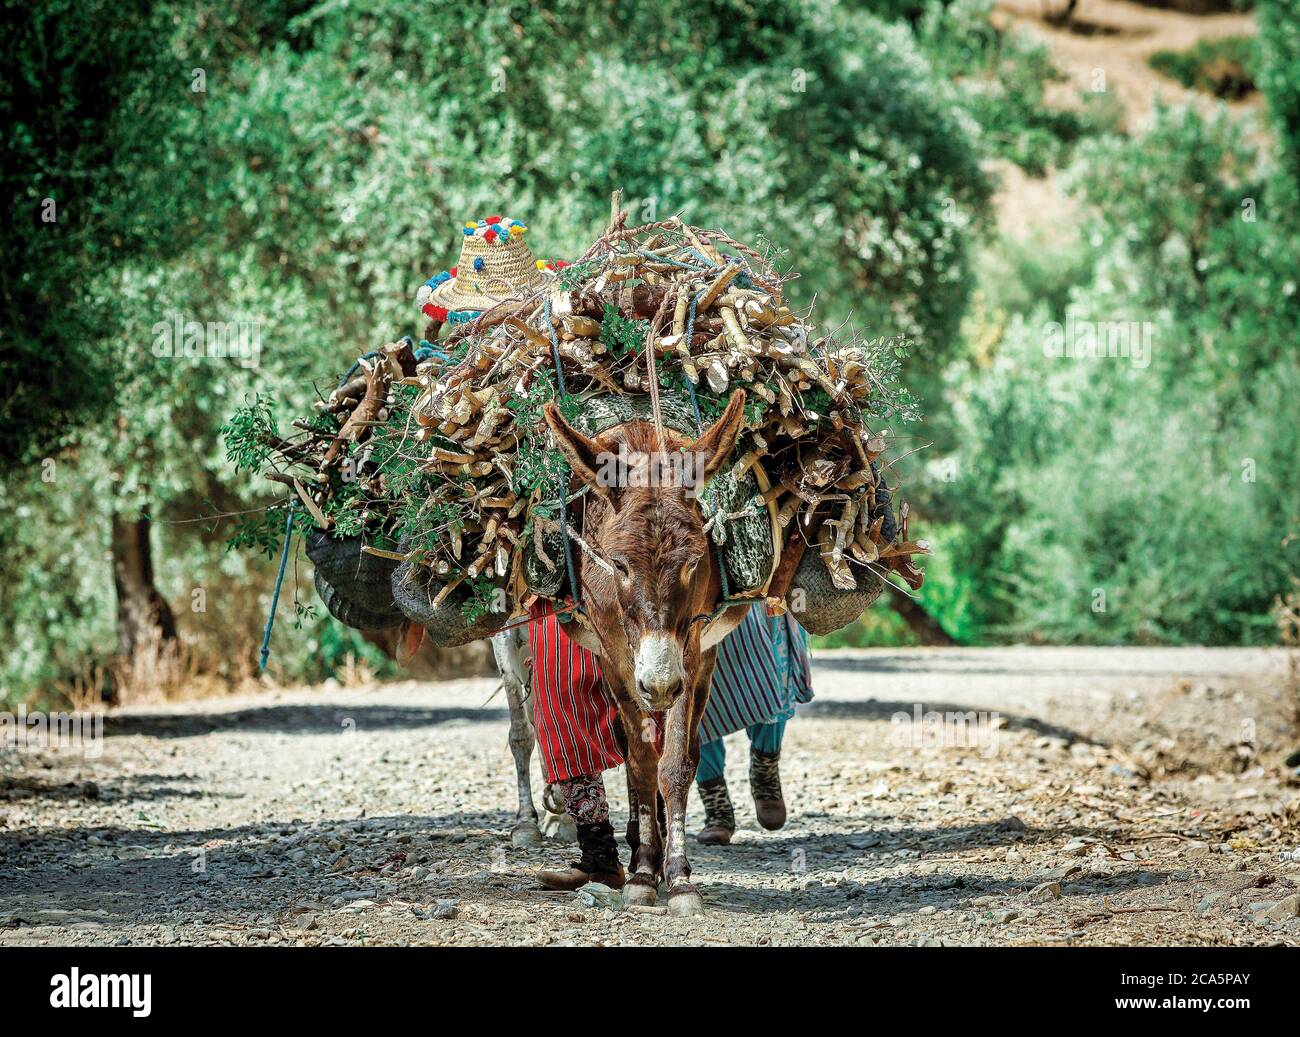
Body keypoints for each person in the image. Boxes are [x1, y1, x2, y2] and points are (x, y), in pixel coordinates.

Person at [695, 608, 812, 844]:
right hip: (697, 598)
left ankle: (765, 770)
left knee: (774, 677)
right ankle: (716, 805)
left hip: (759, 588)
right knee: (696, 696)